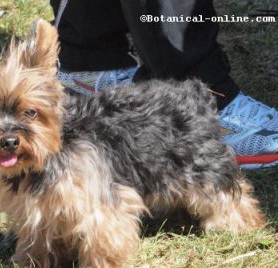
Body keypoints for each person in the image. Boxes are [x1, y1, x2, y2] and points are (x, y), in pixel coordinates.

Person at [50, 0, 278, 169]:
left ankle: (91, 61)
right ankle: (202, 104)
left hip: (85, 50)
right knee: (195, 89)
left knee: (90, 53)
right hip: (189, 101)